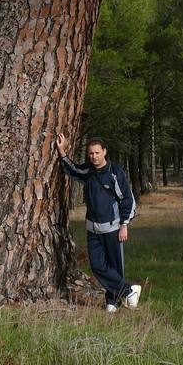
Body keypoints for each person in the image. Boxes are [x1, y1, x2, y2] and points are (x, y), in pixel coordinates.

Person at [56, 132, 140, 313]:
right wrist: (62, 152)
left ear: (104, 152)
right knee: (97, 265)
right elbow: (74, 170)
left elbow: (127, 199)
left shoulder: (115, 172)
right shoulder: (89, 171)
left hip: (113, 228)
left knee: (115, 266)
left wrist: (124, 224)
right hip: (92, 229)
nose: (93, 156)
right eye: (90, 153)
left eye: (96, 153)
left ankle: (113, 301)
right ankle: (129, 290)